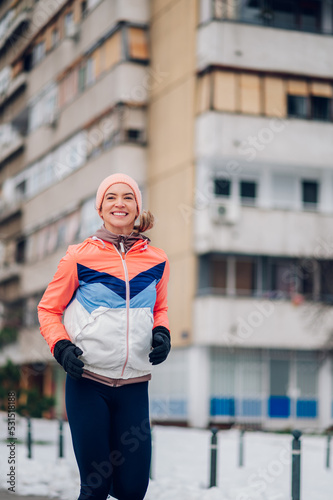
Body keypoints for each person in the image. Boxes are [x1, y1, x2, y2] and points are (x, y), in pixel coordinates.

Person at [38, 172, 171, 500]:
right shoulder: (78, 256)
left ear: (137, 207)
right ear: (100, 209)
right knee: (96, 486)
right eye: (111, 197)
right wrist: (62, 346)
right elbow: (48, 310)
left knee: (133, 489)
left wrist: (162, 333)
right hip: (88, 382)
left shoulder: (157, 260)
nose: (119, 203)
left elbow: (160, 309)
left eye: (127, 197)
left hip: (134, 386)